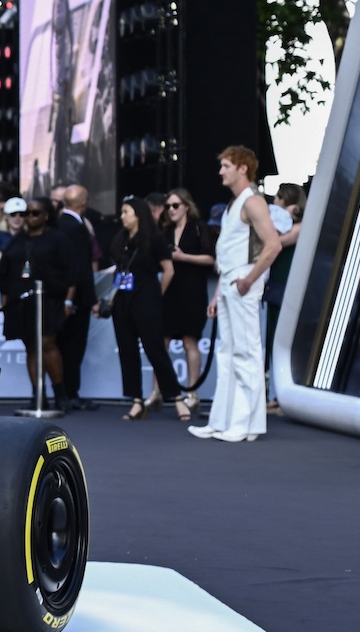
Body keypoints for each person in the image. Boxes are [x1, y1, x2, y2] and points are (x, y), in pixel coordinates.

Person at [192, 147, 282, 442]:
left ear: (243, 168)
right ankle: (222, 421)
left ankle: (246, 424)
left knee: (246, 351)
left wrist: (248, 280)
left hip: (244, 281)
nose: (221, 171)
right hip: (231, 281)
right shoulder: (235, 203)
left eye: (226, 165)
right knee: (228, 352)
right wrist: (218, 293)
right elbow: (229, 253)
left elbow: (273, 245)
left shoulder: (253, 202)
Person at [99, 197, 190, 421]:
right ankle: (136, 401)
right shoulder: (120, 239)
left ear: (138, 214)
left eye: (126, 212)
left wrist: (157, 294)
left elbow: (169, 270)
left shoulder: (155, 239)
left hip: (147, 299)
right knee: (127, 351)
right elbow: (118, 268)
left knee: (155, 349)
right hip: (122, 301)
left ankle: (177, 399)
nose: (122, 217)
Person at [0, 197, 73, 404]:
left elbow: (70, 272)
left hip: (50, 299)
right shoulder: (17, 241)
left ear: (46, 215)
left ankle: (60, 393)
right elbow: (4, 274)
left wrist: (68, 301)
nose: (29, 217)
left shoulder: (58, 238)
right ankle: (38, 394)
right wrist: (4, 303)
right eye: (26, 213)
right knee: (31, 345)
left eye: (35, 213)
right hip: (20, 302)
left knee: (48, 343)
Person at [159, 187, 212, 406]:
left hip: (193, 290)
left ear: (186, 207)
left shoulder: (199, 228)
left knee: (191, 340)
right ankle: (159, 392)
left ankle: (192, 393)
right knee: (162, 341)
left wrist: (184, 257)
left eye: (175, 205)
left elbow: (211, 259)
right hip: (170, 291)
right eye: (168, 206)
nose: (171, 210)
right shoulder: (165, 232)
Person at [52, 184, 100, 408]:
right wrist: (90, 300)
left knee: (59, 346)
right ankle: (71, 394)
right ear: (84, 203)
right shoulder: (76, 227)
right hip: (75, 298)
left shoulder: (59, 223)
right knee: (73, 347)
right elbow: (81, 267)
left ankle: (62, 393)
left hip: (57, 295)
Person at [265, 183, 304, 413]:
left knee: (285, 338)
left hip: (289, 284)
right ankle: (276, 394)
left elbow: (277, 242)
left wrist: (281, 218)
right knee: (272, 337)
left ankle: (286, 395)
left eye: (278, 199)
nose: (274, 203)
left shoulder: (300, 226)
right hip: (275, 283)